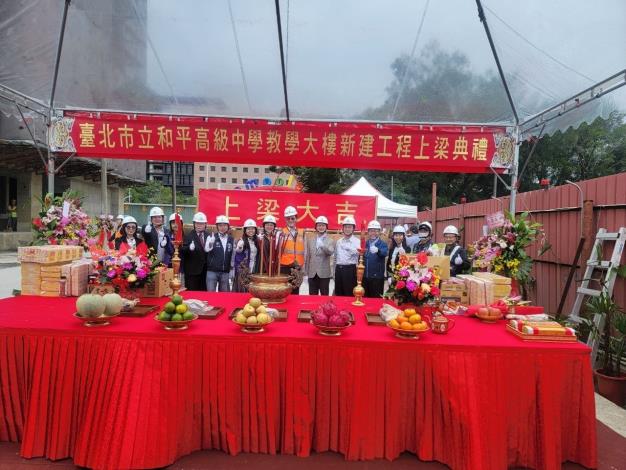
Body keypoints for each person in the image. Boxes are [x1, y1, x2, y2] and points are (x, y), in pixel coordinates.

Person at [304, 215, 335, 295]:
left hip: (324, 274)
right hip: (312, 273)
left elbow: (330, 252)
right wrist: (306, 273)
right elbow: (308, 257)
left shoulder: (330, 240)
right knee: (312, 297)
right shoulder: (311, 240)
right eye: (319, 225)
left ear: (326, 227)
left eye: (323, 225)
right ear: (316, 227)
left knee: (324, 297)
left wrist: (323, 245)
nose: (321, 227)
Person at [181, 212, 210, 291]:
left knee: (204, 293)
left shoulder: (209, 235)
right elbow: (182, 251)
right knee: (192, 293)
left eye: (201, 223)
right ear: (194, 224)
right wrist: (189, 248)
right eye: (197, 223)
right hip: (192, 271)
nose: (199, 225)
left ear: (205, 224)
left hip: (205, 271)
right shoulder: (188, 236)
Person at [205, 215, 234, 292]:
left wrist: (231, 269)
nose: (222, 227)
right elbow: (206, 249)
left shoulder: (231, 239)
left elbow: (232, 255)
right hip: (212, 271)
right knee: (211, 294)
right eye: (220, 225)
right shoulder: (211, 237)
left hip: (225, 272)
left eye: (225, 225)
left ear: (228, 226)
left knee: (224, 295)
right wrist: (210, 243)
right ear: (217, 226)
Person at [279, 206, 304, 294]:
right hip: (285, 267)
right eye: (288, 218)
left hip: (297, 267)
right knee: (284, 291)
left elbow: (306, 251)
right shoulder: (281, 232)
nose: (290, 220)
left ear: (296, 219)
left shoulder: (302, 233)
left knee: (295, 291)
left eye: (292, 218)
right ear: (285, 220)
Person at [333, 216, 360, 296]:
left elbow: (358, 254)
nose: (347, 229)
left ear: (353, 228)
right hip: (339, 269)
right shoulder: (339, 241)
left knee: (349, 293)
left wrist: (349, 249)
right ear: (343, 228)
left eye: (349, 227)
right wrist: (334, 272)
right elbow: (335, 257)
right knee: (338, 293)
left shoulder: (357, 241)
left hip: (350, 270)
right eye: (345, 227)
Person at [363, 220, 388, 298]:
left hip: (377, 278)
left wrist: (378, 251)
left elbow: (384, 253)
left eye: (376, 231)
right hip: (365, 277)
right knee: (365, 300)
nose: (373, 233)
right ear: (368, 232)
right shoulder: (365, 243)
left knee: (376, 300)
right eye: (371, 231)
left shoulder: (382, 244)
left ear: (379, 232)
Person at [232, 218, 259, 292]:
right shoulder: (242, 241)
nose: (251, 230)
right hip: (244, 270)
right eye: (248, 229)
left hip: (254, 268)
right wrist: (240, 247)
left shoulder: (257, 240)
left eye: (252, 229)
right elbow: (238, 251)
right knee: (243, 289)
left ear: (255, 230)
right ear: (245, 230)